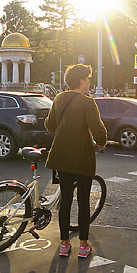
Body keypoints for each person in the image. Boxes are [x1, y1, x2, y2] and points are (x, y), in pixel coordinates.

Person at [45, 64, 108, 259]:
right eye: (88, 78)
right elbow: (99, 131)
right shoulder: (88, 103)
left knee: (65, 200)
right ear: (81, 81)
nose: (90, 81)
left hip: (61, 157)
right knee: (83, 201)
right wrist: (102, 142)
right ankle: (82, 245)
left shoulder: (59, 99)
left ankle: (64, 244)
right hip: (82, 158)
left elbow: (50, 126)